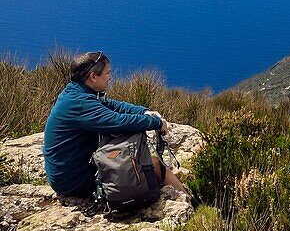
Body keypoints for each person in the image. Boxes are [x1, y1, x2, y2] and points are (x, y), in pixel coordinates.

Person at [43, 51, 187, 198]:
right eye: (107, 73)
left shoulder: (75, 92)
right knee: (155, 165)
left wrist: (144, 112)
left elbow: (111, 105)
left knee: (146, 162)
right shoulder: (81, 103)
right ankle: (191, 204)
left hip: (68, 173)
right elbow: (119, 121)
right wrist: (155, 123)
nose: (110, 77)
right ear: (93, 76)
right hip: (74, 182)